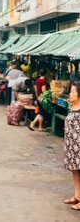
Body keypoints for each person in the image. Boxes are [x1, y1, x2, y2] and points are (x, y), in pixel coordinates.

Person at [63, 81, 80, 210]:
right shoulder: (72, 107)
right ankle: (77, 196)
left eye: (73, 92)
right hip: (71, 146)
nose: (70, 94)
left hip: (78, 146)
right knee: (74, 170)